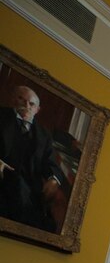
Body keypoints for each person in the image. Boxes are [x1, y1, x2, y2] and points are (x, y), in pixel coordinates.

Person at [0, 85, 64, 231]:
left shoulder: (44, 135)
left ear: (37, 110)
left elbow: (51, 163)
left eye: (32, 103)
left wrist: (54, 179)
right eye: (21, 98)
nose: (26, 105)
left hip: (29, 192)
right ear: (12, 100)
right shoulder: (1, 116)